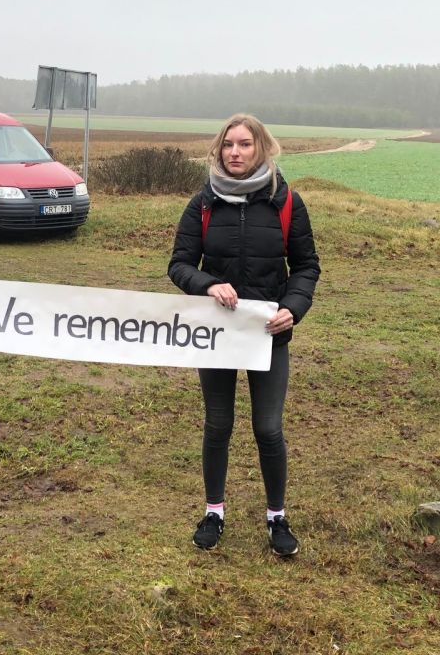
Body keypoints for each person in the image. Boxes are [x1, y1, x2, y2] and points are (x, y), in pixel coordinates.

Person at [168, 113, 320, 557]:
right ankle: (213, 513)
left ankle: (277, 518)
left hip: (268, 336)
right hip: (217, 335)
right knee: (218, 425)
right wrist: (207, 285)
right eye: (228, 145)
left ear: (262, 148)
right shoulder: (202, 204)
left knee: (268, 429)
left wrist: (293, 308)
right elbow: (179, 264)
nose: (235, 153)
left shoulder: (286, 202)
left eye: (245, 144)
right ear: (219, 149)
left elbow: (306, 266)